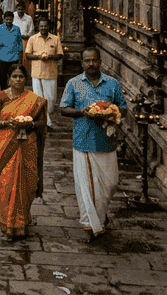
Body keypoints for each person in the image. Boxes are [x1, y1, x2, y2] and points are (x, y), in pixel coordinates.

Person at [60, 47, 127, 241]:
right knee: (87, 188)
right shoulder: (74, 83)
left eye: (94, 60)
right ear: (82, 63)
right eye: (87, 61)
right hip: (84, 141)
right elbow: (64, 108)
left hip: (106, 141)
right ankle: (90, 225)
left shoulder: (112, 84)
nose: (91, 64)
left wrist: (111, 114)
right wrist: (81, 112)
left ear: (100, 61)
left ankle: (101, 214)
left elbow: (123, 108)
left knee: (110, 184)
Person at [0, 63, 47, 241]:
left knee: (27, 182)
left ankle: (22, 220)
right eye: (14, 76)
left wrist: (30, 123)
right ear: (9, 78)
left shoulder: (34, 99)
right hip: (7, 143)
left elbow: (42, 123)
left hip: (28, 144)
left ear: (26, 79)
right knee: (8, 183)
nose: (17, 80)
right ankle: (9, 224)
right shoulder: (1, 97)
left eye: (21, 76)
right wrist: (7, 123)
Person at [25, 17, 63, 128]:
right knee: (39, 99)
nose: (43, 28)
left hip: (51, 74)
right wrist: (39, 57)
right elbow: (28, 55)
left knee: (51, 100)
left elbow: (60, 55)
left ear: (49, 26)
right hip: (36, 74)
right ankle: (46, 123)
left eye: (45, 26)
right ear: (38, 27)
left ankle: (46, 117)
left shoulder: (55, 39)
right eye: (41, 26)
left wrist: (50, 57)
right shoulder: (32, 39)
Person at [0, 11, 23, 91]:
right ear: (4, 19)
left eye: (10, 19)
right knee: (2, 77)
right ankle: (4, 93)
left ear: (13, 19)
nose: (9, 21)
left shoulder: (17, 29)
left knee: (14, 76)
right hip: (2, 56)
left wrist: (20, 56)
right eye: (7, 19)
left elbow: (19, 42)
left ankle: (14, 91)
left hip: (14, 57)